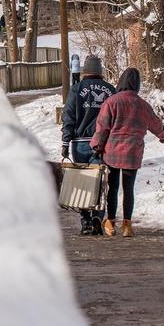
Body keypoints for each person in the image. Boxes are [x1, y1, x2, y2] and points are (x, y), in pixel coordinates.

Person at [90, 68, 164, 237]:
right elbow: (155, 123)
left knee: (112, 187)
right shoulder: (143, 105)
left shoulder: (111, 102)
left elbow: (103, 128)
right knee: (128, 188)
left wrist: (97, 146)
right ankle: (127, 225)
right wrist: (163, 135)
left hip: (112, 153)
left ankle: (110, 222)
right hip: (132, 153)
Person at [61, 55, 116, 235]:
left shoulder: (76, 89)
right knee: (100, 182)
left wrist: (65, 142)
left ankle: (85, 221)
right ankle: (97, 217)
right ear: (100, 71)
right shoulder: (110, 90)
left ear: (85, 71)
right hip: (103, 143)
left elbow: (68, 116)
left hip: (80, 143)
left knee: (83, 182)